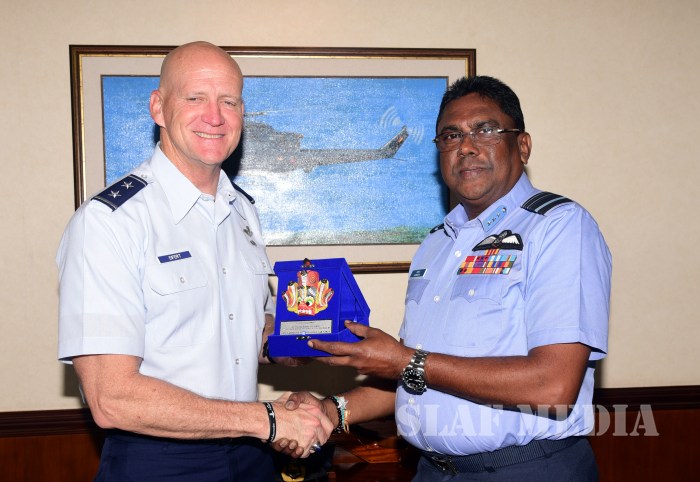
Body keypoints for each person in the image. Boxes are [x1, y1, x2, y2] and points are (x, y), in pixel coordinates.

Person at [282, 76, 611, 481]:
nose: (466, 146)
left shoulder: (559, 227)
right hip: (432, 471)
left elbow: (553, 385)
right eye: (451, 136)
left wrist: (404, 360)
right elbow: (417, 374)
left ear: (523, 145)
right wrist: (332, 410)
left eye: (485, 130)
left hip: (524, 469)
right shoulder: (437, 244)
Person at [57, 41, 333, 481]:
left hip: (253, 454)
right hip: (159, 461)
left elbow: (244, 326)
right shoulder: (110, 221)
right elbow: (111, 398)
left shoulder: (242, 211)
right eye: (195, 98)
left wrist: (299, 342)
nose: (215, 116)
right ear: (158, 107)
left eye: (229, 101)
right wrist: (268, 419)